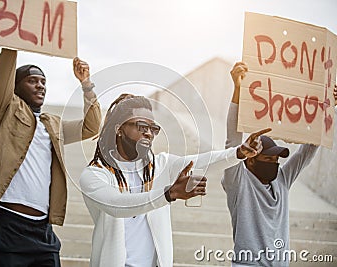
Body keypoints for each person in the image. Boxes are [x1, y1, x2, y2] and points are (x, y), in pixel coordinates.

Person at [79, 93, 270, 267]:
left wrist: (238, 152)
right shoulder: (95, 175)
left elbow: (203, 160)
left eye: (153, 128)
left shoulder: (160, 165)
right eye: (141, 126)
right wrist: (169, 194)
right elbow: (117, 205)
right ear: (119, 129)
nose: (149, 133)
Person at [0, 48, 102, 266]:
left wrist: (86, 84)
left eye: (43, 81)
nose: (40, 85)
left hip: (43, 231)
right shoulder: (7, 110)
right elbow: (3, 74)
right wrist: (10, 45)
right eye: (32, 81)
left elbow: (92, 127)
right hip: (9, 226)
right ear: (16, 86)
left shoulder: (53, 124)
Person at [222, 62, 322, 266]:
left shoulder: (282, 180)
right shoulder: (238, 182)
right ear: (250, 160)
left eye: (276, 160)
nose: (274, 164)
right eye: (268, 159)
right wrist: (238, 90)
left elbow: (308, 150)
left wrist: (327, 109)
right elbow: (232, 143)